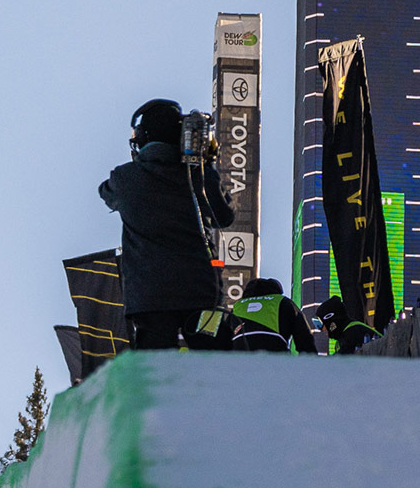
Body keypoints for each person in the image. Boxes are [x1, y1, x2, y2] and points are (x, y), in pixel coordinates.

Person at [99, 98, 235, 350]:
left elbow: (105, 193)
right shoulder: (200, 174)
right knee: (217, 362)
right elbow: (224, 217)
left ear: (141, 138)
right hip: (201, 291)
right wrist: (205, 163)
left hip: (150, 299)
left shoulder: (125, 179)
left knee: (154, 371)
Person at [225, 278, 320, 355]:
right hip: (274, 353)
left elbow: (224, 339)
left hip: (240, 354)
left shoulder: (238, 306)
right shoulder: (283, 301)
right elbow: (304, 340)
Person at [319, 294, 383, 355]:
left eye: (321, 324)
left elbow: (338, 362)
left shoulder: (353, 333)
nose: (321, 329)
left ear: (331, 321)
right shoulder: (345, 336)